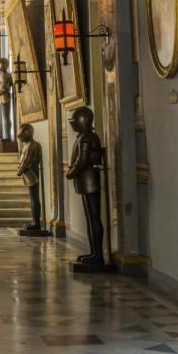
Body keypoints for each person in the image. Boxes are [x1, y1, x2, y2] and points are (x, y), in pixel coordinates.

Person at [66, 106, 105, 266]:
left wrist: (70, 173)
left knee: (94, 218)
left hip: (90, 181)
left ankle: (98, 255)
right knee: (91, 218)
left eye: (75, 121)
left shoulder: (88, 138)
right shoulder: (84, 136)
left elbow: (82, 161)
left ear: (83, 121)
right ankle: (94, 252)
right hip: (86, 181)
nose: (73, 124)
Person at [16, 123, 43, 231]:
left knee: (35, 199)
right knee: (33, 199)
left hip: (32, 174)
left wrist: (20, 171)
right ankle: (34, 221)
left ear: (27, 133)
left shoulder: (33, 145)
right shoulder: (27, 144)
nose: (19, 137)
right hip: (28, 174)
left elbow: (27, 161)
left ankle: (36, 223)